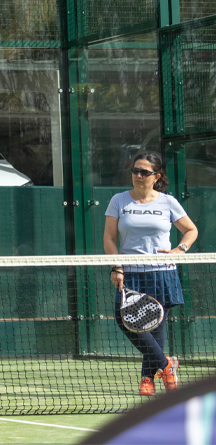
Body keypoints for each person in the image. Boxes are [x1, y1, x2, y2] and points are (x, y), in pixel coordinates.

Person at [103, 152, 197, 396]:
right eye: (135, 170)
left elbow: (190, 230)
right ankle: (167, 365)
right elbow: (109, 238)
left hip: (162, 272)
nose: (138, 175)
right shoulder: (119, 200)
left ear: (157, 176)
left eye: (144, 172)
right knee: (125, 322)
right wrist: (117, 266)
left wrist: (180, 249)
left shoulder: (168, 202)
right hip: (131, 273)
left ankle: (147, 379)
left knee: (155, 326)